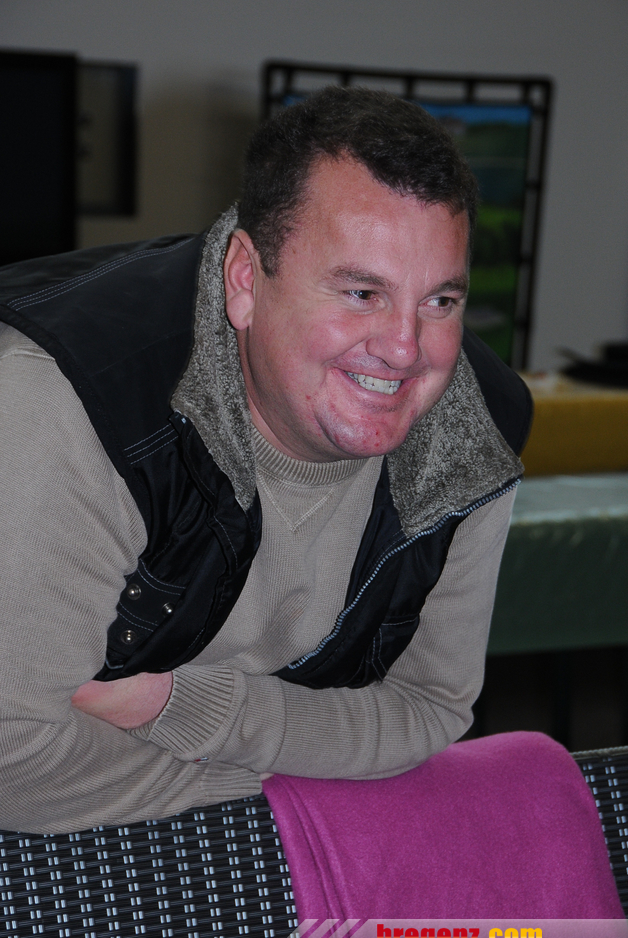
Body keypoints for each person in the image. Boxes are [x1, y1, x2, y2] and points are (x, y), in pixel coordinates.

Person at [0, 87, 531, 834]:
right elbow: (12, 754)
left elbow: (430, 708)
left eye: (439, 301)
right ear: (246, 280)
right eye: (362, 292)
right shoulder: (67, 400)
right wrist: (274, 800)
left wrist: (177, 706)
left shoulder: (472, 434)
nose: (405, 349)